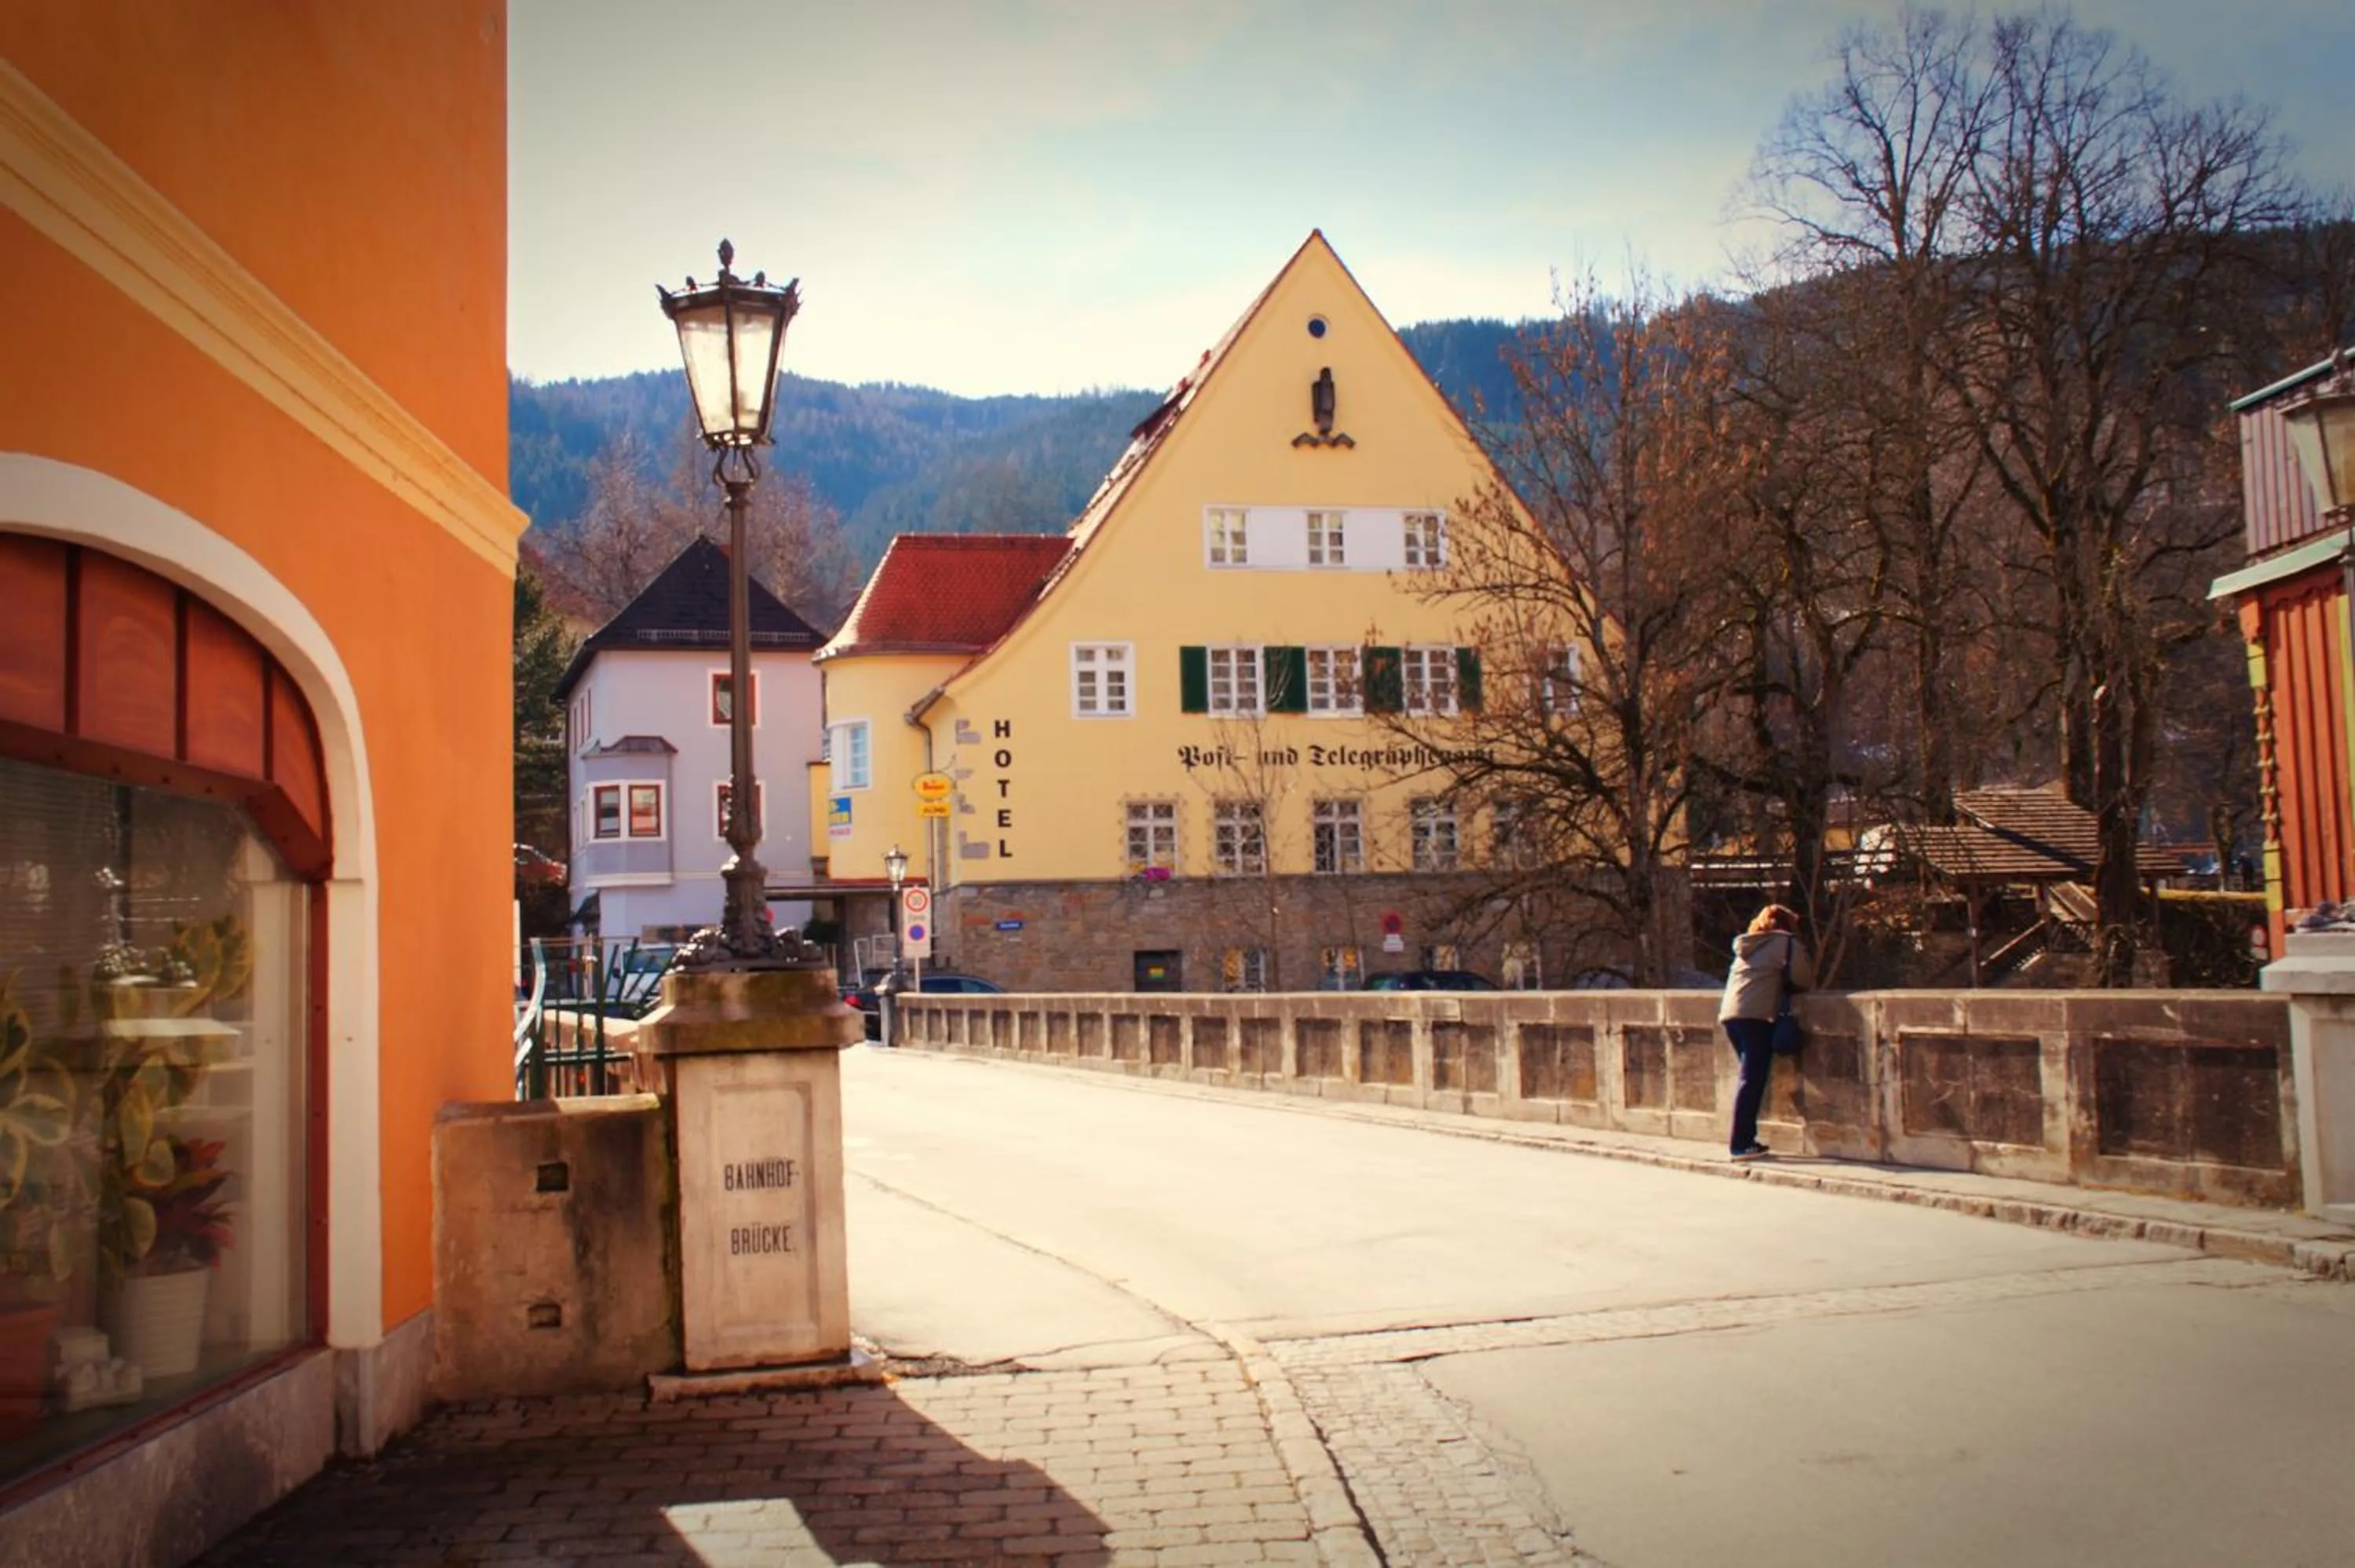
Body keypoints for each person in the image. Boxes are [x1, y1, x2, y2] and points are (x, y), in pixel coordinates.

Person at [1718, 903, 1811, 1160]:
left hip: (1730, 1016)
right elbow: (1803, 979)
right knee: (1752, 1082)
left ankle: (1746, 1139)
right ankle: (1741, 1143)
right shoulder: (1786, 943)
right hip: (1756, 1017)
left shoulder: (1746, 946)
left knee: (1750, 1080)